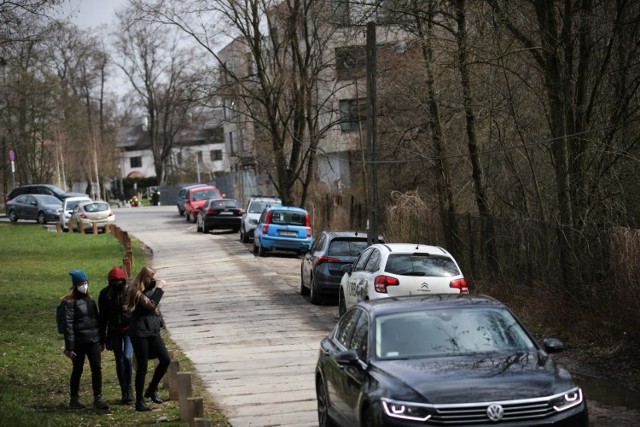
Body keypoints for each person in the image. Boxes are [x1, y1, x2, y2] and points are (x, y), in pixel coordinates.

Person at [60, 269, 109, 410]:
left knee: (97, 368)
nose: (85, 285)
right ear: (76, 285)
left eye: (86, 282)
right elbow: (68, 326)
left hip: (93, 340)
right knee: (77, 369)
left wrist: (101, 340)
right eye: (82, 283)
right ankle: (74, 399)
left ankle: (98, 397)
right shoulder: (69, 302)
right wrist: (69, 347)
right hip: (79, 342)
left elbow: (97, 320)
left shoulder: (90, 300)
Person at [124, 266, 171, 412]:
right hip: (139, 332)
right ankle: (139, 401)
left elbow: (155, 310)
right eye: (152, 278)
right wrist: (160, 288)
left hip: (152, 330)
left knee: (165, 359)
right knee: (142, 367)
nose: (154, 280)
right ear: (144, 278)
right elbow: (151, 305)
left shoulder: (149, 290)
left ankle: (151, 389)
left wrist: (160, 323)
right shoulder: (136, 292)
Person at [98, 266, 134, 404]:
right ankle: (124, 390)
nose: (117, 284)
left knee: (127, 357)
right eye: (115, 281)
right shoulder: (105, 295)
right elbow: (102, 318)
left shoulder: (129, 291)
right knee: (119, 359)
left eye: (120, 281)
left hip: (129, 330)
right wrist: (102, 338)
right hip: (114, 331)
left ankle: (129, 388)